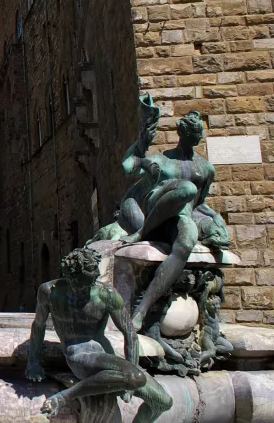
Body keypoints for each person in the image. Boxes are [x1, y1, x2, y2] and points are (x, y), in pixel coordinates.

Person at [26, 248, 172, 422]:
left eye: (93, 280)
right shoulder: (50, 291)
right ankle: (64, 397)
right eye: (84, 283)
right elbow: (38, 326)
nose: (90, 286)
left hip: (108, 355)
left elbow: (130, 334)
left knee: (163, 402)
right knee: (135, 377)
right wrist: (33, 362)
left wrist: (130, 377)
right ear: (70, 276)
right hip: (79, 354)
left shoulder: (106, 295)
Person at [119, 102, 228, 330]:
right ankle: (142, 231)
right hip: (155, 210)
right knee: (186, 188)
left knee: (187, 238)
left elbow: (200, 203)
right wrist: (141, 142)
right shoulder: (162, 160)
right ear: (184, 133)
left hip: (179, 219)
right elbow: (129, 166)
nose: (199, 138)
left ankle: (142, 309)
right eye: (196, 133)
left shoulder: (206, 169)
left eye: (200, 134)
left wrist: (217, 220)